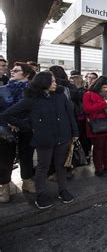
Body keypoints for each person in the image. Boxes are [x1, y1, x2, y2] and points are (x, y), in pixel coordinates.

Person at [0, 71, 78, 209]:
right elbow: (7, 115)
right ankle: (41, 194)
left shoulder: (60, 95)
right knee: (43, 167)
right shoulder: (31, 99)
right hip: (44, 139)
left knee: (61, 166)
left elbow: (70, 113)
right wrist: (29, 126)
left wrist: (74, 132)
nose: (55, 83)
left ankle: (63, 190)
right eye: (52, 81)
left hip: (63, 136)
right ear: (43, 83)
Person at [0, 62, 36, 203]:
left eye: (16, 70)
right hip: (5, 130)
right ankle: (4, 186)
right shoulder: (2, 90)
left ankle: (27, 181)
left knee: (26, 156)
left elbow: (36, 111)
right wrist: (9, 122)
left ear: (26, 74)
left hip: (27, 128)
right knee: (4, 158)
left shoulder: (34, 91)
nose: (12, 72)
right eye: (12, 70)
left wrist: (21, 122)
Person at [83, 76, 107, 177]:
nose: (106, 89)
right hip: (97, 124)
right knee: (98, 147)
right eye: (104, 87)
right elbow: (87, 109)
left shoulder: (106, 94)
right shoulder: (88, 94)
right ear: (98, 85)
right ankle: (99, 168)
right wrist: (104, 103)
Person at [70, 74, 92, 164]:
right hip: (84, 118)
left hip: (79, 119)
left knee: (80, 138)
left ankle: (81, 156)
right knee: (85, 138)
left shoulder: (75, 92)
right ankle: (86, 155)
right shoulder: (85, 91)